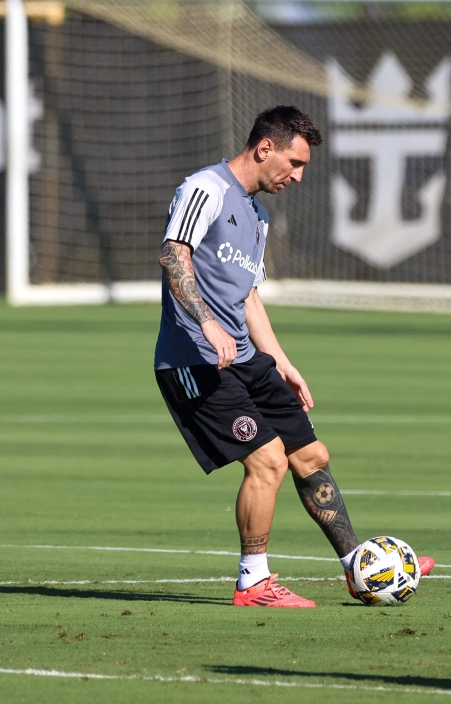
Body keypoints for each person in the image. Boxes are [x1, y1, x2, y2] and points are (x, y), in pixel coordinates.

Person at [154, 106, 433, 607]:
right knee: (267, 461)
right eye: (295, 163)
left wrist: (280, 360)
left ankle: (356, 566)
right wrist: (207, 323)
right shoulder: (205, 190)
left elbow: (249, 297)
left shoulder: (257, 216)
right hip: (194, 360)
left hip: (242, 358)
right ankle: (252, 582)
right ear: (265, 148)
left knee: (310, 456)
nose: (298, 176)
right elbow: (174, 255)